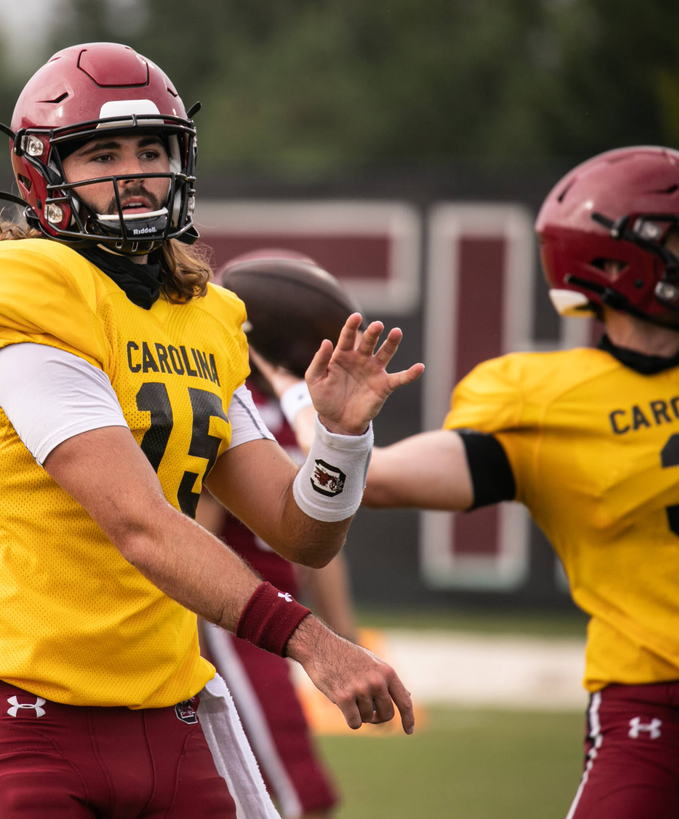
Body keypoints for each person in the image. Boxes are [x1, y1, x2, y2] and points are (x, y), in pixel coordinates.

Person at [0, 41, 419, 819]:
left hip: (170, 716)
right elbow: (139, 523)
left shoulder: (205, 318)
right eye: (104, 154)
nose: (136, 173)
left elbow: (301, 533)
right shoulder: (23, 294)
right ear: (42, 173)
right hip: (27, 714)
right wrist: (312, 641)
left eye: (152, 151)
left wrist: (340, 441)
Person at [254, 146, 679, 819]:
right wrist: (322, 417)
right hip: (655, 696)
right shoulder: (546, 399)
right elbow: (376, 481)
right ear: (615, 261)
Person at [193, 252, 356, 819]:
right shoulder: (230, 405)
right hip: (232, 621)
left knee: (283, 794)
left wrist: (346, 638)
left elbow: (318, 548)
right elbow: (197, 534)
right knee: (294, 794)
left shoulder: (296, 412)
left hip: (274, 618)